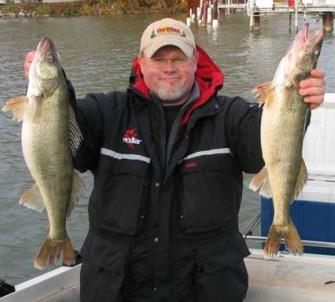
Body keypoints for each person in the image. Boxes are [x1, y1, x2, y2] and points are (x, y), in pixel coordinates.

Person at [24, 18, 325, 302]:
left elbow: (264, 147)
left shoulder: (230, 116)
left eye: (178, 58)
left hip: (205, 290)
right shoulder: (106, 112)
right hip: (117, 290)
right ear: (140, 62)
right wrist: (55, 87)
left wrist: (300, 103)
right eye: (158, 58)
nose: (169, 67)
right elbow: (67, 141)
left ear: (196, 61)